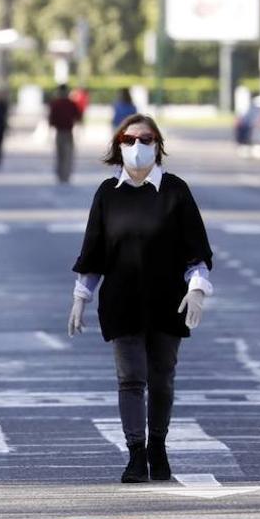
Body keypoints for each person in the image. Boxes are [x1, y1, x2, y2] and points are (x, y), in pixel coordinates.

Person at [67, 114, 213, 484]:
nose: (137, 146)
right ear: (118, 145)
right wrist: (80, 298)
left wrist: (197, 289)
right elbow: (94, 253)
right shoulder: (107, 194)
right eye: (129, 140)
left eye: (145, 139)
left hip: (167, 301)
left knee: (161, 378)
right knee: (131, 378)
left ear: (158, 144)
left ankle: (158, 447)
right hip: (122, 302)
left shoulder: (175, 191)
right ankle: (135, 453)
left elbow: (196, 252)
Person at [47, 84, 83, 184]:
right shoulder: (71, 103)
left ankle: (61, 174)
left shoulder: (55, 103)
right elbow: (78, 117)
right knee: (67, 154)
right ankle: (65, 175)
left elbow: (51, 119)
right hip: (67, 131)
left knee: (60, 154)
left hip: (60, 132)